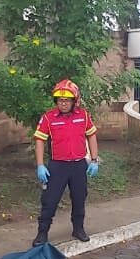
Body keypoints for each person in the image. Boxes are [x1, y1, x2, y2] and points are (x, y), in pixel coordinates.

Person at [32, 79, 100, 247]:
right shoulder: (48, 118)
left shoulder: (83, 115)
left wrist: (94, 159)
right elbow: (40, 140)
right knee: (49, 200)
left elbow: (91, 136)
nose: (63, 103)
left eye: (67, 100)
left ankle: (78, 229)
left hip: (78, 166)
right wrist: (40, 165)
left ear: (74, 101)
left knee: (79, 198)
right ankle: (42, 233)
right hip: (57, 166)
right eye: (60, 100)